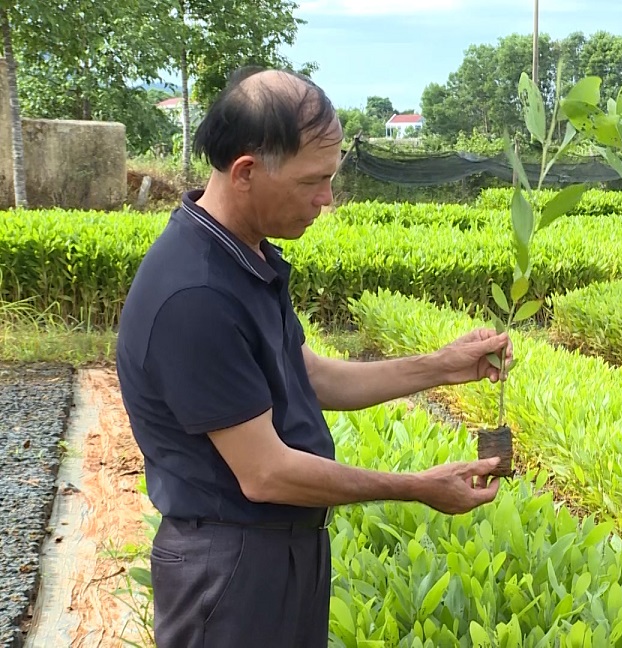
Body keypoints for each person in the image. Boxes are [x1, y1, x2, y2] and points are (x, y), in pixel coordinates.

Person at [115, 67, 510, 647]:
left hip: (278, 547)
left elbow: (312, 376)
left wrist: (445, 366)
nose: (327, 199)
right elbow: (266, 472)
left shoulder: (243, 255)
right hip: (228, 565)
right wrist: (417, 486)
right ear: (246, 171)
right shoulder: (195, 294)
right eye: (313, 182)